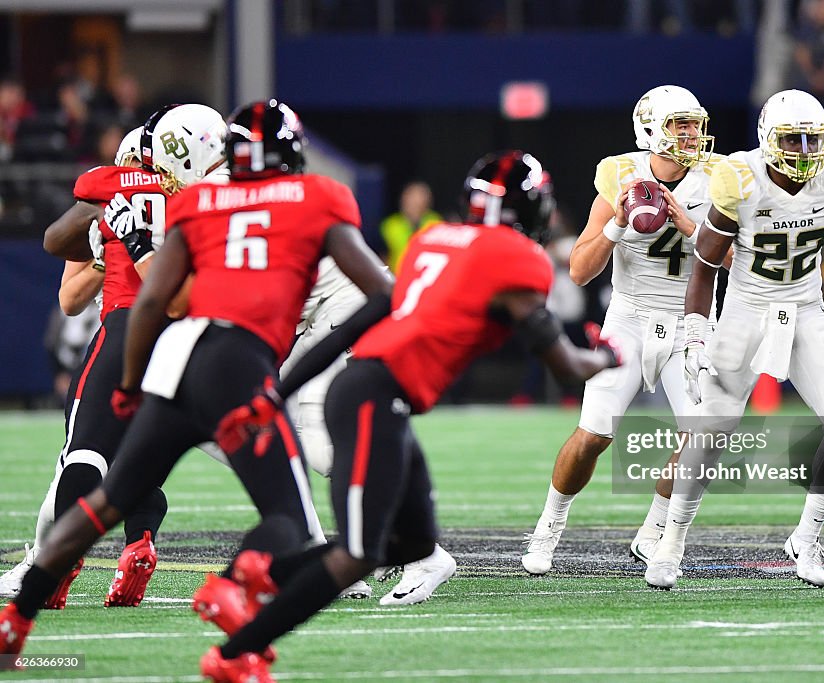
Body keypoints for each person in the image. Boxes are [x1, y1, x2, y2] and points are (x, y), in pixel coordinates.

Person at [200, 149, 622, 681]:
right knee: (359, 553)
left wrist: (280, 390)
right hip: (376, 397)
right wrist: (607, 355)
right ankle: (237, 648)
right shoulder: (518, 257)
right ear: (529, 207)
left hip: (369, 389)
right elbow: (565, 366)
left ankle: (261, 575)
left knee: (415, 544)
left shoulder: (431, 239)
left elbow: (365, 317)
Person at [0, 99, 393, 668]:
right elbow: (381, 293)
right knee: (285, 513)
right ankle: (236, 596)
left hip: (171, 357)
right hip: (235, 369)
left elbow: (157, 299)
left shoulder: (198, 204)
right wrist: (306, 368)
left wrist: (132, 382)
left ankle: (16, 622)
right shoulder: (316, 198)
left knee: (102, 499)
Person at [643, 89, 824, 591]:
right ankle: (670, 543)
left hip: (806, 309)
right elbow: (703, 267)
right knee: (710, 433)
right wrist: (696, 335)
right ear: (767, 139)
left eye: (814, 140)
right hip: (746, 310)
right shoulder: (742, 178)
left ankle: (806, 539)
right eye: (793, 139)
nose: (805, 151)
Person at [0, 111, 225, 609]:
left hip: (129, 331)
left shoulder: (118, 188)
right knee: (152, 463)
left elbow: (56, 245)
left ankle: (52, 563)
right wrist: (107, 255)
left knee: (81, 456)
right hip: (194, 341)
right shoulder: (199, 198)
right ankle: (138, 544)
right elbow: (70, 297)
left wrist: (117, 236)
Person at [521, 85, 725, 576]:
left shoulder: (720, 180)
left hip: (691, 322)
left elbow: (744, 261)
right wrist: (617, 227)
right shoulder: (620, 176)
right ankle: (548, 529)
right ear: (651, 129)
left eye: (695, 123)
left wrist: (693, 228)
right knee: (594, 433)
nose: (692, 133)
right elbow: (578, 269)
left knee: (703, 439)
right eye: (680, 124)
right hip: (629, 319)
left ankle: (655, 532)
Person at [379, 180, 442, 272]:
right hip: (396, 278)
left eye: (419, 198)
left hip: (427, 277)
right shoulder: (390, 225)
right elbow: (382, 257)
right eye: (410, 197)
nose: (414, 202)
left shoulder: (436, 223)